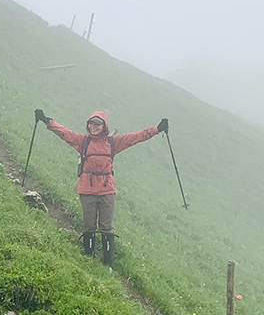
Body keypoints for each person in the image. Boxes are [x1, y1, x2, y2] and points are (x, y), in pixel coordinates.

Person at [34, 109, 168, 265]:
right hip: (87, 191)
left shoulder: (113, 143)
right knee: (89, 227)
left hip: (107, 191)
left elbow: (136, 137)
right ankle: (89, 259)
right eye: (91, 124)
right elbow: (64, 133)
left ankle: (108, 263)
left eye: (97, 124)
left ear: (104, 126)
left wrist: (157, 129)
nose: (93, 127)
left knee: (106, 228)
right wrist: (47, 121)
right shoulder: (83, 142)